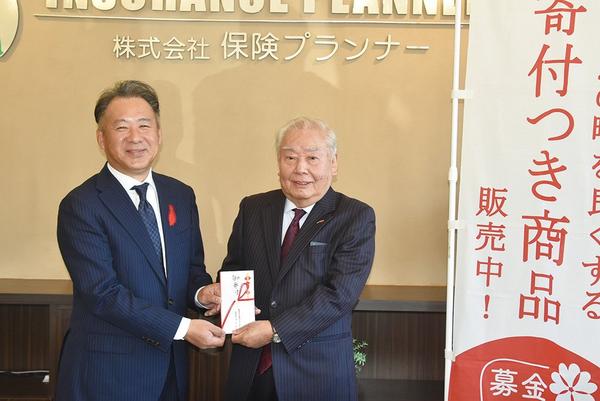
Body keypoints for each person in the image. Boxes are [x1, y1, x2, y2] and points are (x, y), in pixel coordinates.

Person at [55, 80, 225, 401]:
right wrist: (184, 328)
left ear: (159, 134)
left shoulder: (180, 195)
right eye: (122, 127)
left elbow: (191, 270)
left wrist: (203, 294)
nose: (135, 137)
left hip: (171, 371)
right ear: (101, 138)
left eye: (144, 125)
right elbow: (103, 294)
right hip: (108, 374)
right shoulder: (82, 205)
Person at [214, 117, 376, 401]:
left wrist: (274, 329)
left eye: (312, 158)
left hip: (316, 373)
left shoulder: (354, 216)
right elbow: (234, 269)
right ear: (278, 162)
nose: (301, 168)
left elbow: (339, 295)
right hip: (252, 368)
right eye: (290, 157)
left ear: (333, 163)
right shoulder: (253, 208)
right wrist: (224, 299)